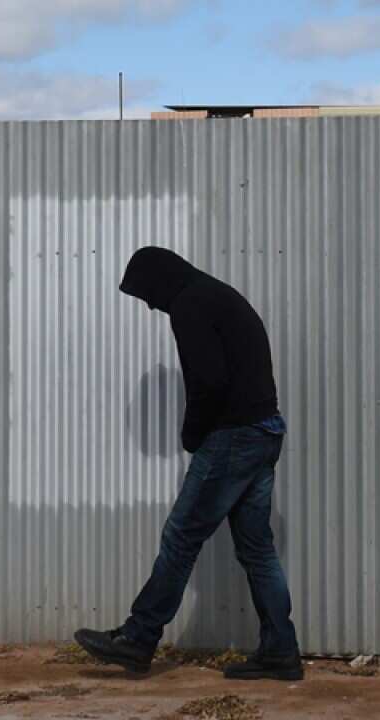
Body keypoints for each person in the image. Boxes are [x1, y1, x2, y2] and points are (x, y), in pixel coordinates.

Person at [74, 247, 302, 681]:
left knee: (181, 537)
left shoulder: (190, 304)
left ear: (160, 281)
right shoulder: (216, 295)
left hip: (234, 436)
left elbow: (209, 381)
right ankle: (280, 650)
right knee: (257, 548)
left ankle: (139, 638)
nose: (149, 305)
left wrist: (192, 434)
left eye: (146, 295)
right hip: (264, 429)